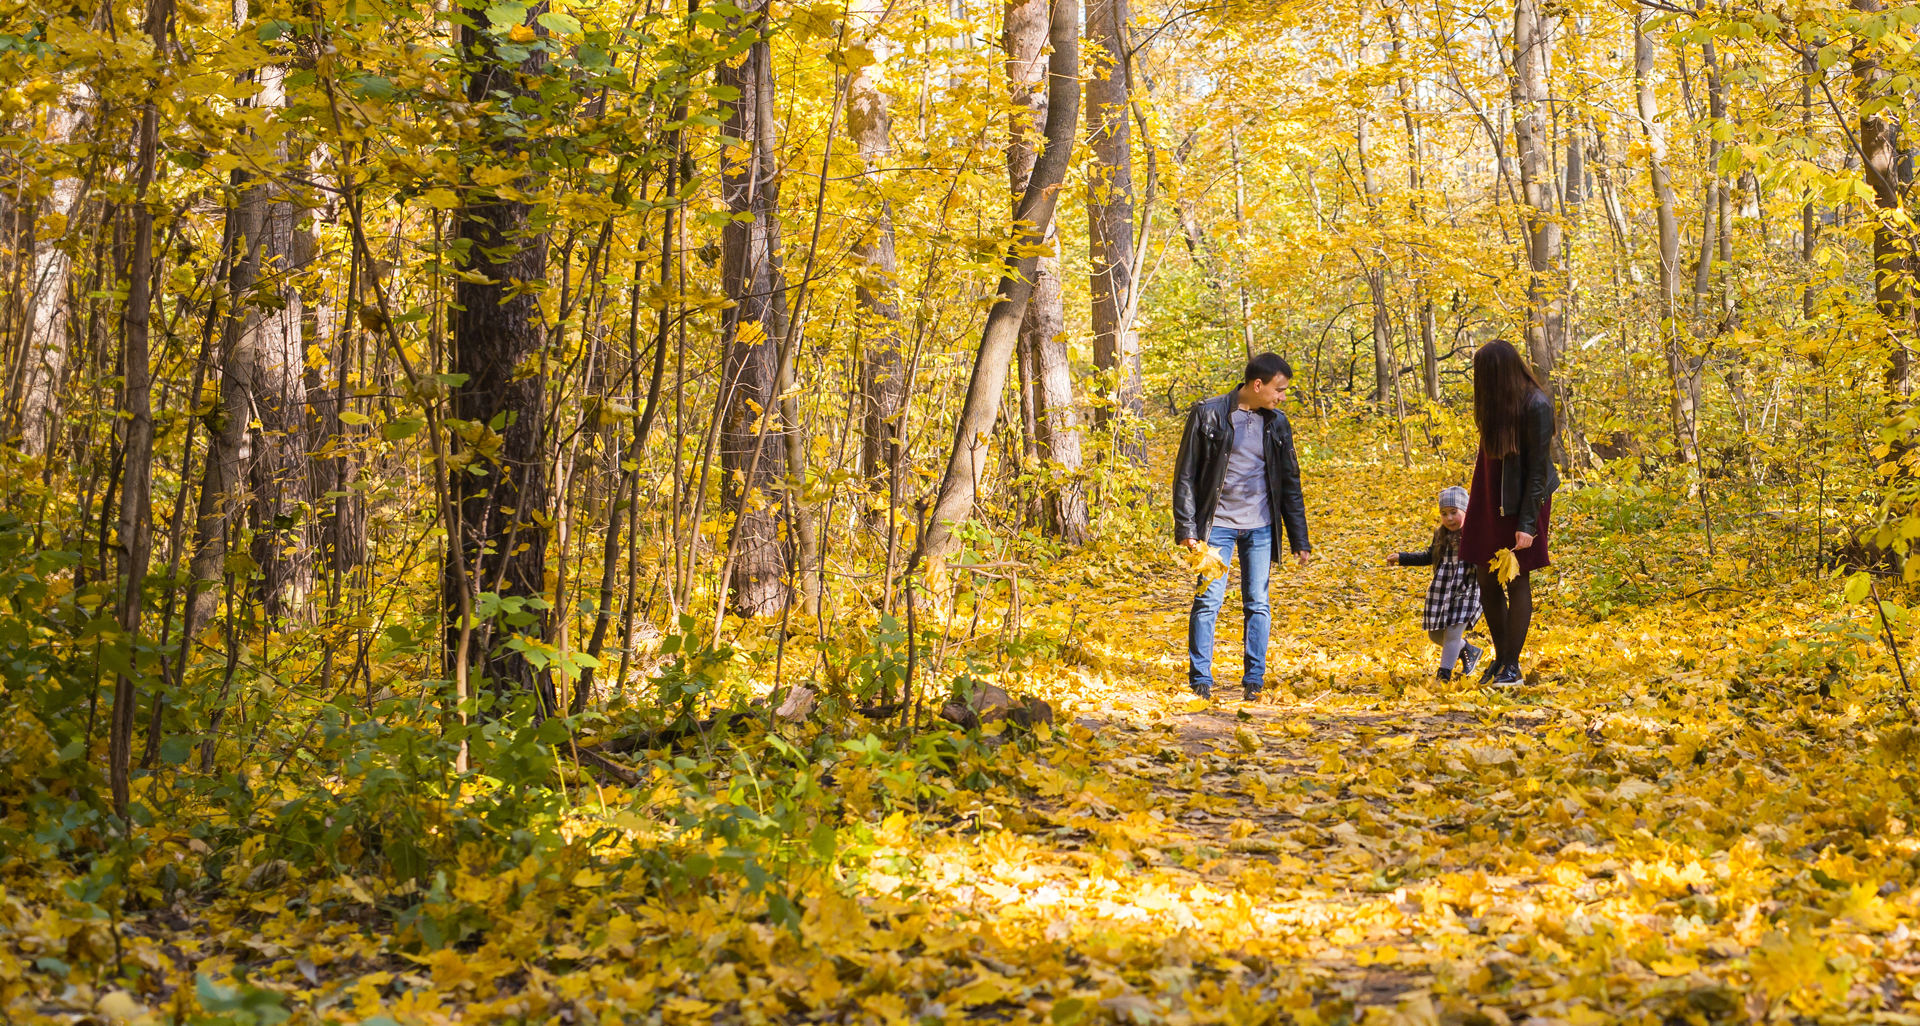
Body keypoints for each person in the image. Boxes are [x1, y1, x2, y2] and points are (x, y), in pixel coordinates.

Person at [1171, 352, 1313, 701]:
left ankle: (1254, 680)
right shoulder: (1208, 413)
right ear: (1258, 384)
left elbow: (1290, 482)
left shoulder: (1277, 423)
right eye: (1279, 390)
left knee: (1258, 603)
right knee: (1208, 601)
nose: (1282, 397)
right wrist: (1187, 528)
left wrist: (1299, 538)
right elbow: (1185, 474)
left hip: (1261, 527)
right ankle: (1200, 679)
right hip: (1215, 526)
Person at [1457, 340, 1559, 686]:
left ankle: (1511, 666)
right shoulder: (1498, 401)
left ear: (1499, 373)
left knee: (1515, 577)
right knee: (1486, 577)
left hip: (1522, 502)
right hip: (1490, 494)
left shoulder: (1537, 405)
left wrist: (1527, 524)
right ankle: (1501, 660)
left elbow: (1536, 472)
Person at [1385, 485, 1485, 681]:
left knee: (1454, 631)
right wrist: (1402, 558)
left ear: (1466, 510)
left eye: (1454, 512)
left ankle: (1444, 675)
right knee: (1436, 635)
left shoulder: (1474, 535)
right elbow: (1429, 556)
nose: (1449, 518)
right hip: (1443, 589)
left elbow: (1484, 561)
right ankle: (1469, 650)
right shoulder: (1441, 535)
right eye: (1444, 513)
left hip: (1467, 589)